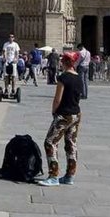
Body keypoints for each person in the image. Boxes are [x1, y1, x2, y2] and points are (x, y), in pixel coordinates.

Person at [39, 51, 83, 187]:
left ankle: (53, 176)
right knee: (71, 144)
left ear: (64, 62)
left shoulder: (63, 78)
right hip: (76, 114)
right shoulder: (79, 78)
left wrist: (54, 111)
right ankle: (70, 175)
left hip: (64, 115)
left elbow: (57, 99)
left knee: (50, 142)